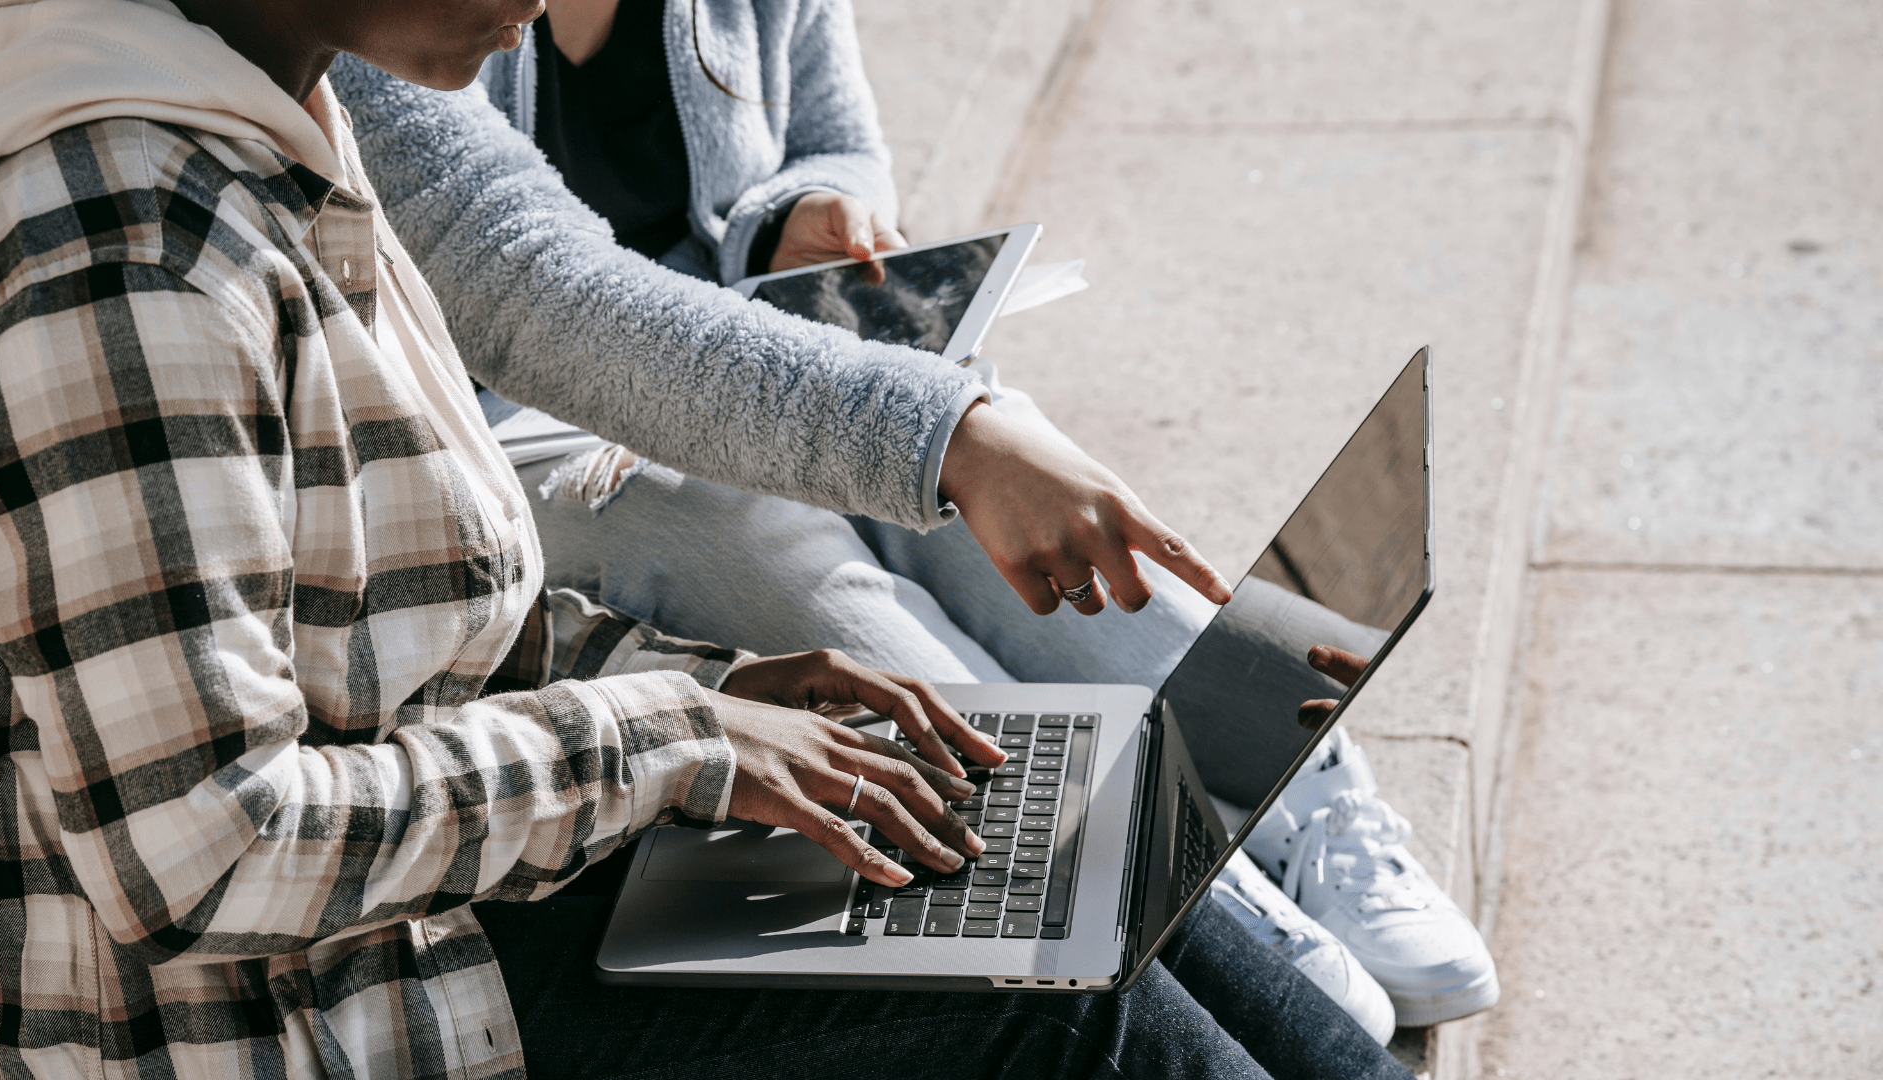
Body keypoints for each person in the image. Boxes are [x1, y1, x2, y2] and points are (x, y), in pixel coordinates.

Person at [0, 0, 1416, 1077]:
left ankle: (1268, 848)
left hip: (451, 880)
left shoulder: (273, 112)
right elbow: (205, 853)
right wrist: (673, 738)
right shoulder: (127, 257)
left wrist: (705, 692)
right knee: (1066, 997)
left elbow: (395, 620)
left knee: (1057, 810)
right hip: (306, 1007)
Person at [330, 0, 1498, 1034]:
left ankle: (1290, 791)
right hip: (496, 429)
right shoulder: (386, 17)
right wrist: (943, 432)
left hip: (737, 329)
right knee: (758, 521)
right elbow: (527, 287)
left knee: (984, 465)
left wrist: (806, 212)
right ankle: (1144, 866)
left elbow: (838, 133)